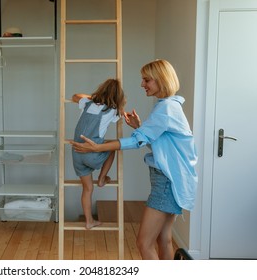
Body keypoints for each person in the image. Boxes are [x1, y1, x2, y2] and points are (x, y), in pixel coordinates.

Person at [71, 59, 198, 259]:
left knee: (143, 243)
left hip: (166, 181)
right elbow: (160, 144)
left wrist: (98, 146)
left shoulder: (166, 109)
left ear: (161, 80)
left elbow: (137, 142)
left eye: (147, 80)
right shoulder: (169, 106)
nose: (142, 84)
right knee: (163, 239)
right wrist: (140, 127)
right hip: (173, 179)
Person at [71, 78, 126, 230]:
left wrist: (92, 97)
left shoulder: (87, 104)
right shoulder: (112, 110)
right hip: (92, 153)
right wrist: (120, 106)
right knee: (112, 148)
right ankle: (102, 178)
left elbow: (75, 96)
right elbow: (120, 113)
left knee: (87, 189)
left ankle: (89, 221)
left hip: (76, 153)